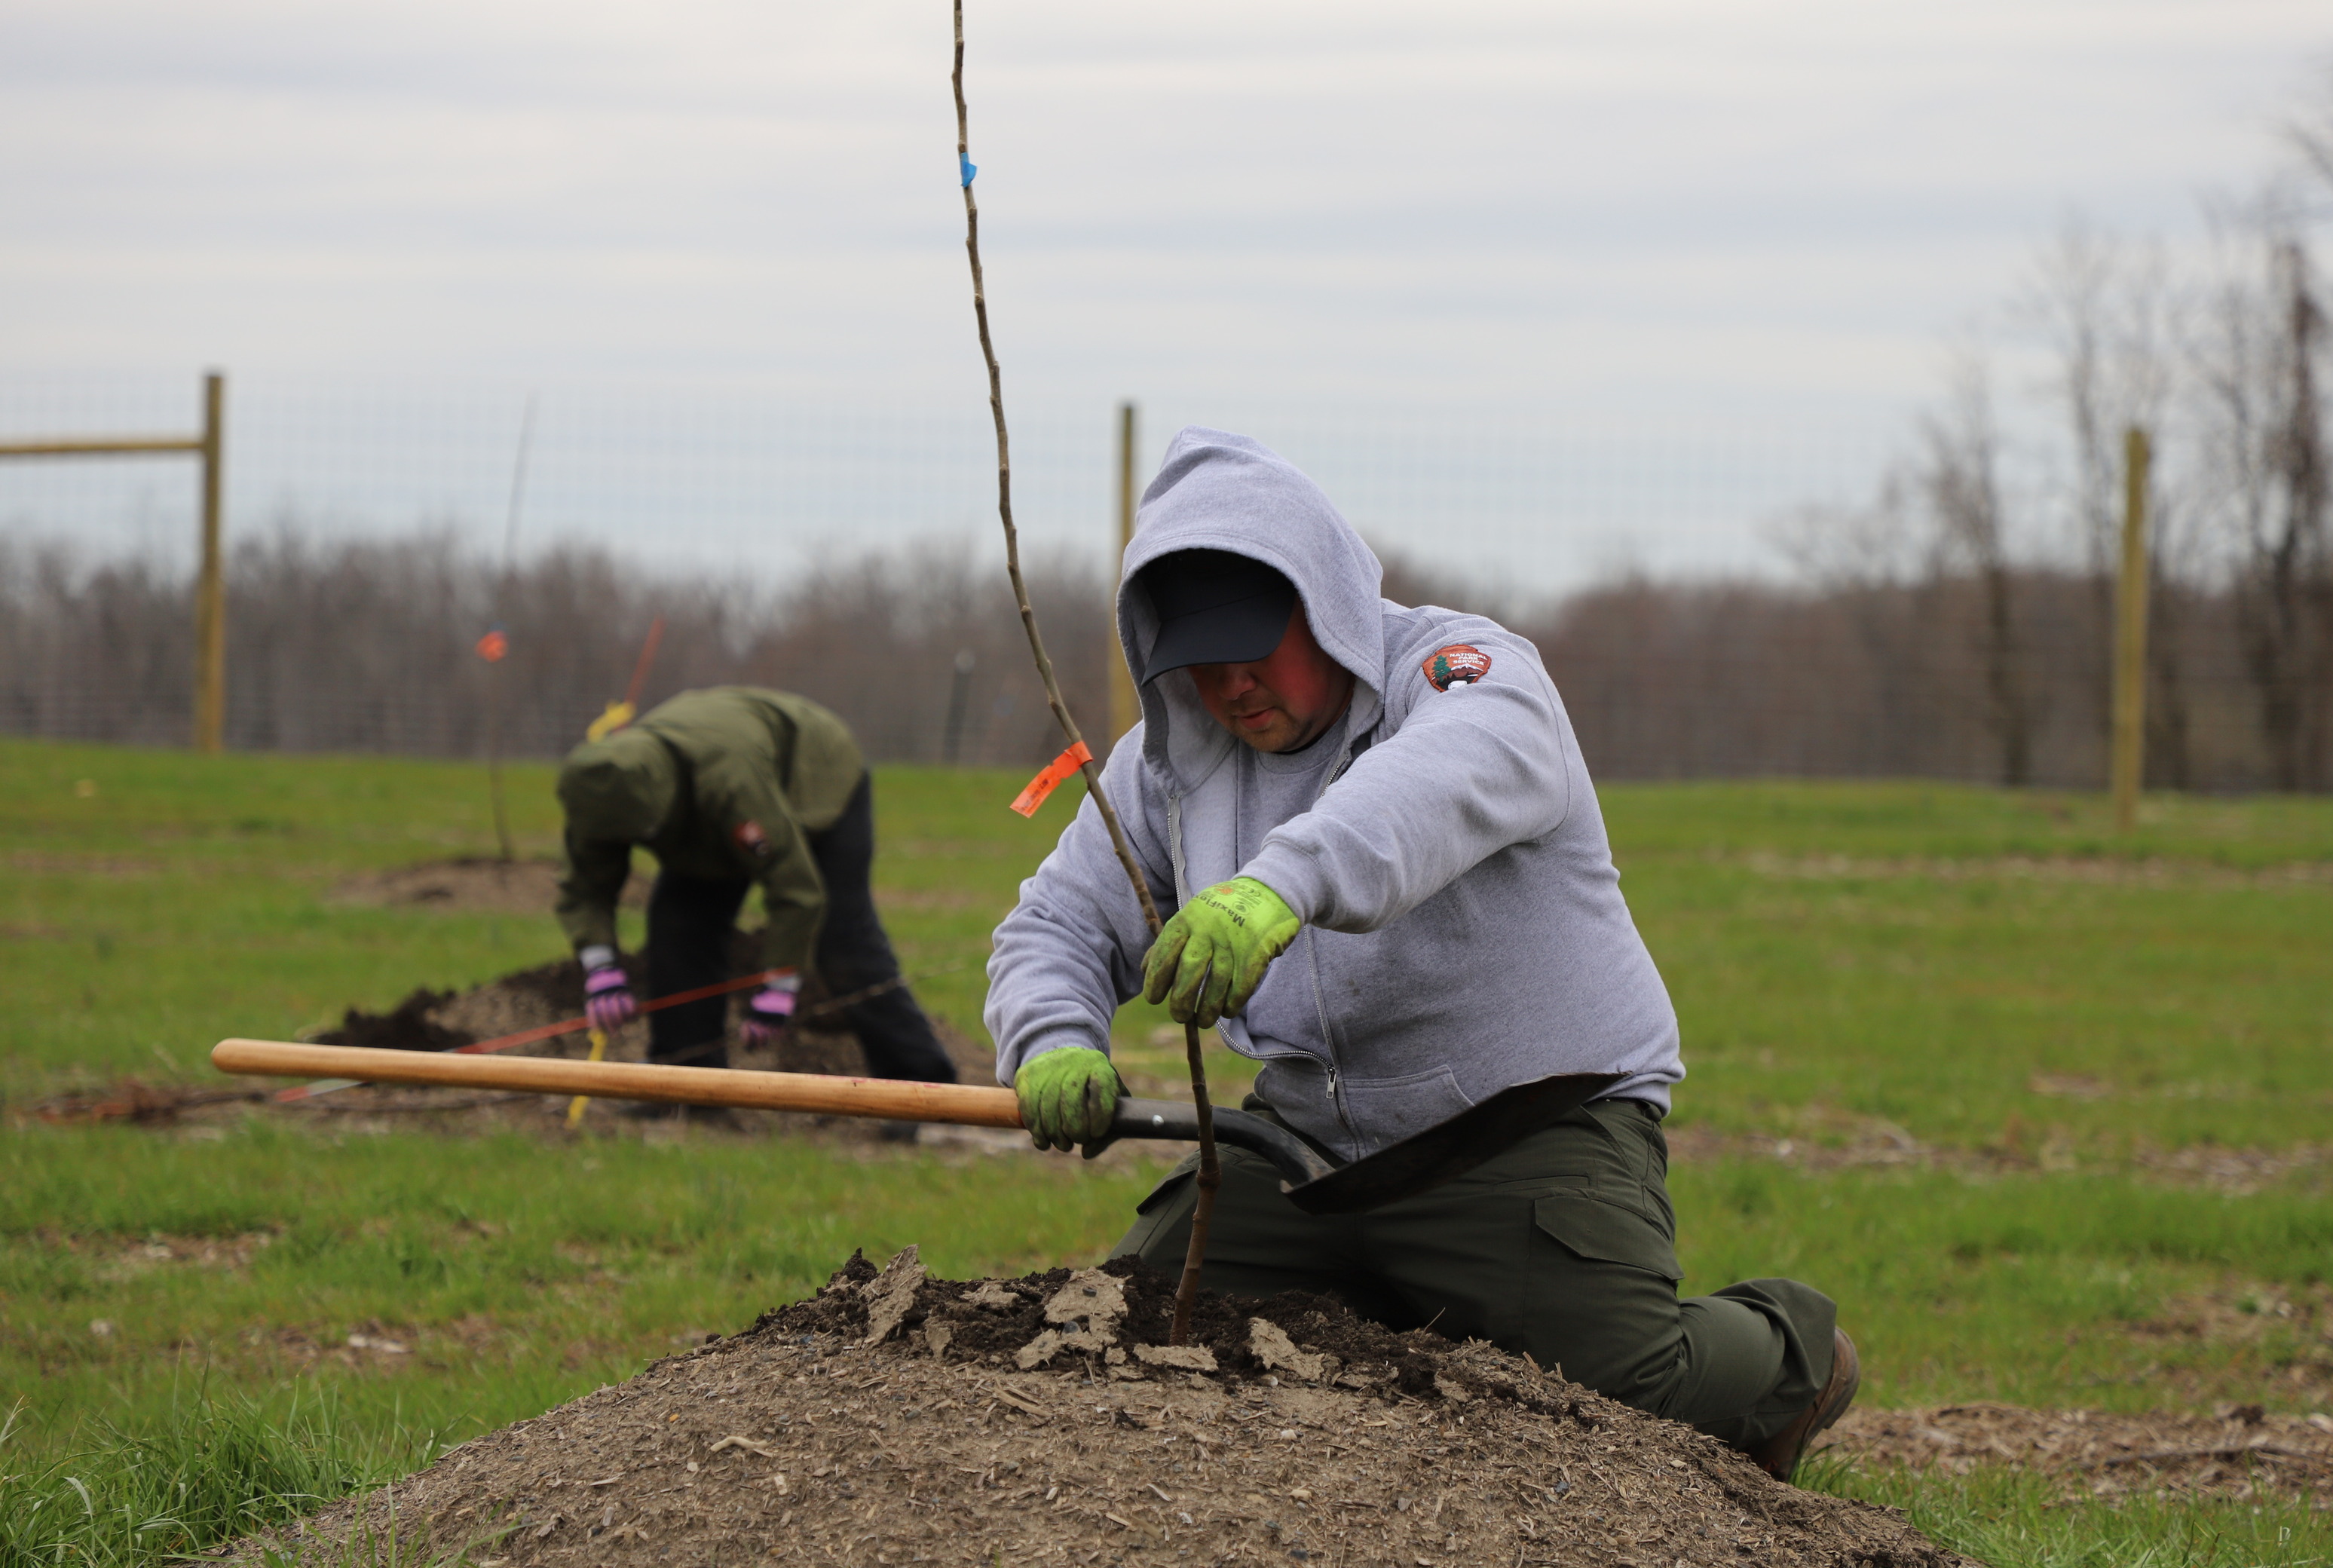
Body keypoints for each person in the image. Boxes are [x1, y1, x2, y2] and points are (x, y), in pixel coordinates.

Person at [984, 429, 1857, 1479]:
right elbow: (1058, 925)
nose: (1231, 684)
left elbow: (1425, 793)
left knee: (1623, 1401)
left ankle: (1794, 1349)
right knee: (1131, 1331)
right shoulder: (1167, 765)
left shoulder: (1471, 681)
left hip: (1526, 1128)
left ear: (1328, 604)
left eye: (1255, 642)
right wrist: (1052, 1038)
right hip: (1305, 1154)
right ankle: (1391, 1300)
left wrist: (1277, 887)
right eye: (1198, 662)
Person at [555, 685, 957, 1109]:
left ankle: (922, 1086)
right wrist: (601, 970)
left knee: (842, 939)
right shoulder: (597, 790)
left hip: (815, 780)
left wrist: (779, 988)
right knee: (678, 924)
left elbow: (797, 888)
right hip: (712, 808)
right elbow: (584, 887)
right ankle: (687, 1083)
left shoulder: (730, 781)